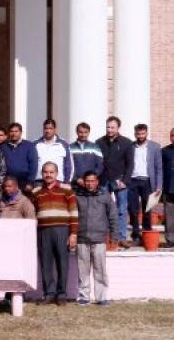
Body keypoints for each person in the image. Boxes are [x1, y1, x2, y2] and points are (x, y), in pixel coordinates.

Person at [32, 162, 78, 306]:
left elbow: (74, 212)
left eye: (51, 172)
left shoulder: (67, 189)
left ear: (57, 174)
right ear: (42, 173)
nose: (48, 175)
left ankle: (62, 294)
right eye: (46, 172)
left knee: (62, 262)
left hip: (62, 229)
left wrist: (73, 234)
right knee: (45, 263)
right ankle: (49, 294)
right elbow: (32, 212)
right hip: (43, 231)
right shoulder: (36, 191)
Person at [75, 171, 118, 306]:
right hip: (82, 238)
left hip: (99, 238)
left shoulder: (105, 196)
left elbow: (113, 216)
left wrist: (114, 236)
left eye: (92, 181)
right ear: (84, 182)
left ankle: (102, 297)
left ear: (97, 182)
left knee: (100, 269)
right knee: (83, 270)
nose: (90, 184)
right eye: (87, 181)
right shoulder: (78, 196)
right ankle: (84, 296)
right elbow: (73, 217)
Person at [96, 116, 135, 248]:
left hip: (120, 180)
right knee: (102, 209)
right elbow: (97, 162)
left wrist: (125, 180)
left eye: (112, 127)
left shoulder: (127, 143)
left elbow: (130, 164)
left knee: (121, 209)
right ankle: (104, 236)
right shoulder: (99, 142)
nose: (110, 130)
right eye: (108, 127)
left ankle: (122, 237)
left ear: (118, 128)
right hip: (103, 180)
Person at [127, 124, 163, 247]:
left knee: (147, 209)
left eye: (143, 133)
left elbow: (159, 168)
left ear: (146, 133)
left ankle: (146, 234)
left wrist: (159, 185)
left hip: (148, 181)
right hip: (132, 181)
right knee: (133, 209)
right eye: (138, 134)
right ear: (135, 134)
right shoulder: (130, 146)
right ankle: (136, 235)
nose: (140, 136)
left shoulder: (155, 147)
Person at [34, 119, 73, 185]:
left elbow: (69, 165)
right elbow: (31, 164)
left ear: (55, 129)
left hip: (58, 181)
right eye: (46, 128)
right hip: (39, 181)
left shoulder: (64, 144)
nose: (48, 131)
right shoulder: (35, 144)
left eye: (50, 128)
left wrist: (67, 182)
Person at [1, 123, 38, 193]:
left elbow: (33, 164)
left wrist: (30, 182)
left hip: (24, 182)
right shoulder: (4, 147)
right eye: (11, 131)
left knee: (23, 199)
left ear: (21, 132)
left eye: (16, 131)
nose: (13, 134)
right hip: (8, 182)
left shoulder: (29, 146)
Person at [69, 123, 103, 188]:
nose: (83, 135)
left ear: (89, 133)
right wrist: (76, 179)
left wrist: (91, 179)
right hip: (75, 184)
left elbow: (100, 165)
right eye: (81, 132)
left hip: (91, 184)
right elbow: (68, 166)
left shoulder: (95, 147)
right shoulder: (70, 147)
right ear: (77, 132)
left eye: (85, 132)